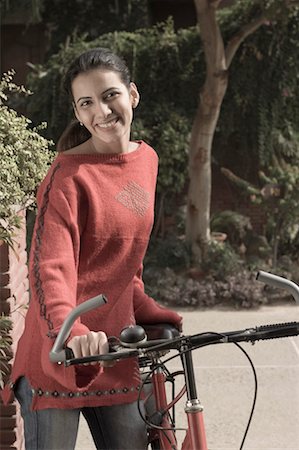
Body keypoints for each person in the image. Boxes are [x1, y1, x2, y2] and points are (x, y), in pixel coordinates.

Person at [1, 47, 182, 450]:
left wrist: (145, 306)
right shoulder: (67, 176)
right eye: (87, 103)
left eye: (110, 95)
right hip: (61, 352)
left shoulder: (146, 160)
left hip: (117, 350)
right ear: (78, 113)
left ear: (132, 94)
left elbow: (126, 260)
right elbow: (51, 270)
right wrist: (72, 331)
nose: (101, 111)